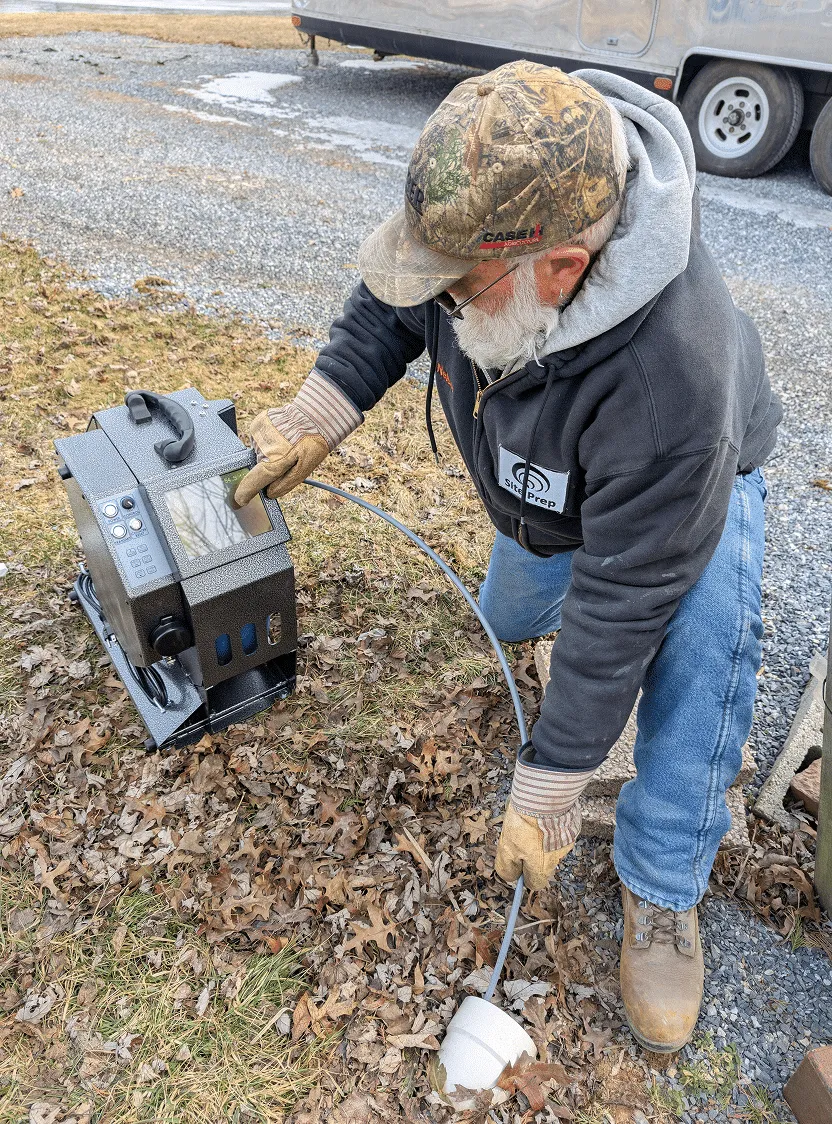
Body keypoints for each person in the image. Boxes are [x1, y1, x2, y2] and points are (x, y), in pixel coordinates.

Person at [234, 61, 781, 1053]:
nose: (439, 301)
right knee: (512, 619)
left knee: (697, 649)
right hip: (543, 489)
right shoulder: (495, 208)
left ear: (562, 270)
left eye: (458, 289)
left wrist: (552, 781)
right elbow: (402, 293)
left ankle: (663, 883)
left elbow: (624, 594)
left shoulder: (673, 381)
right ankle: (549, 647)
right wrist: (322, 407)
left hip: (679, 504)